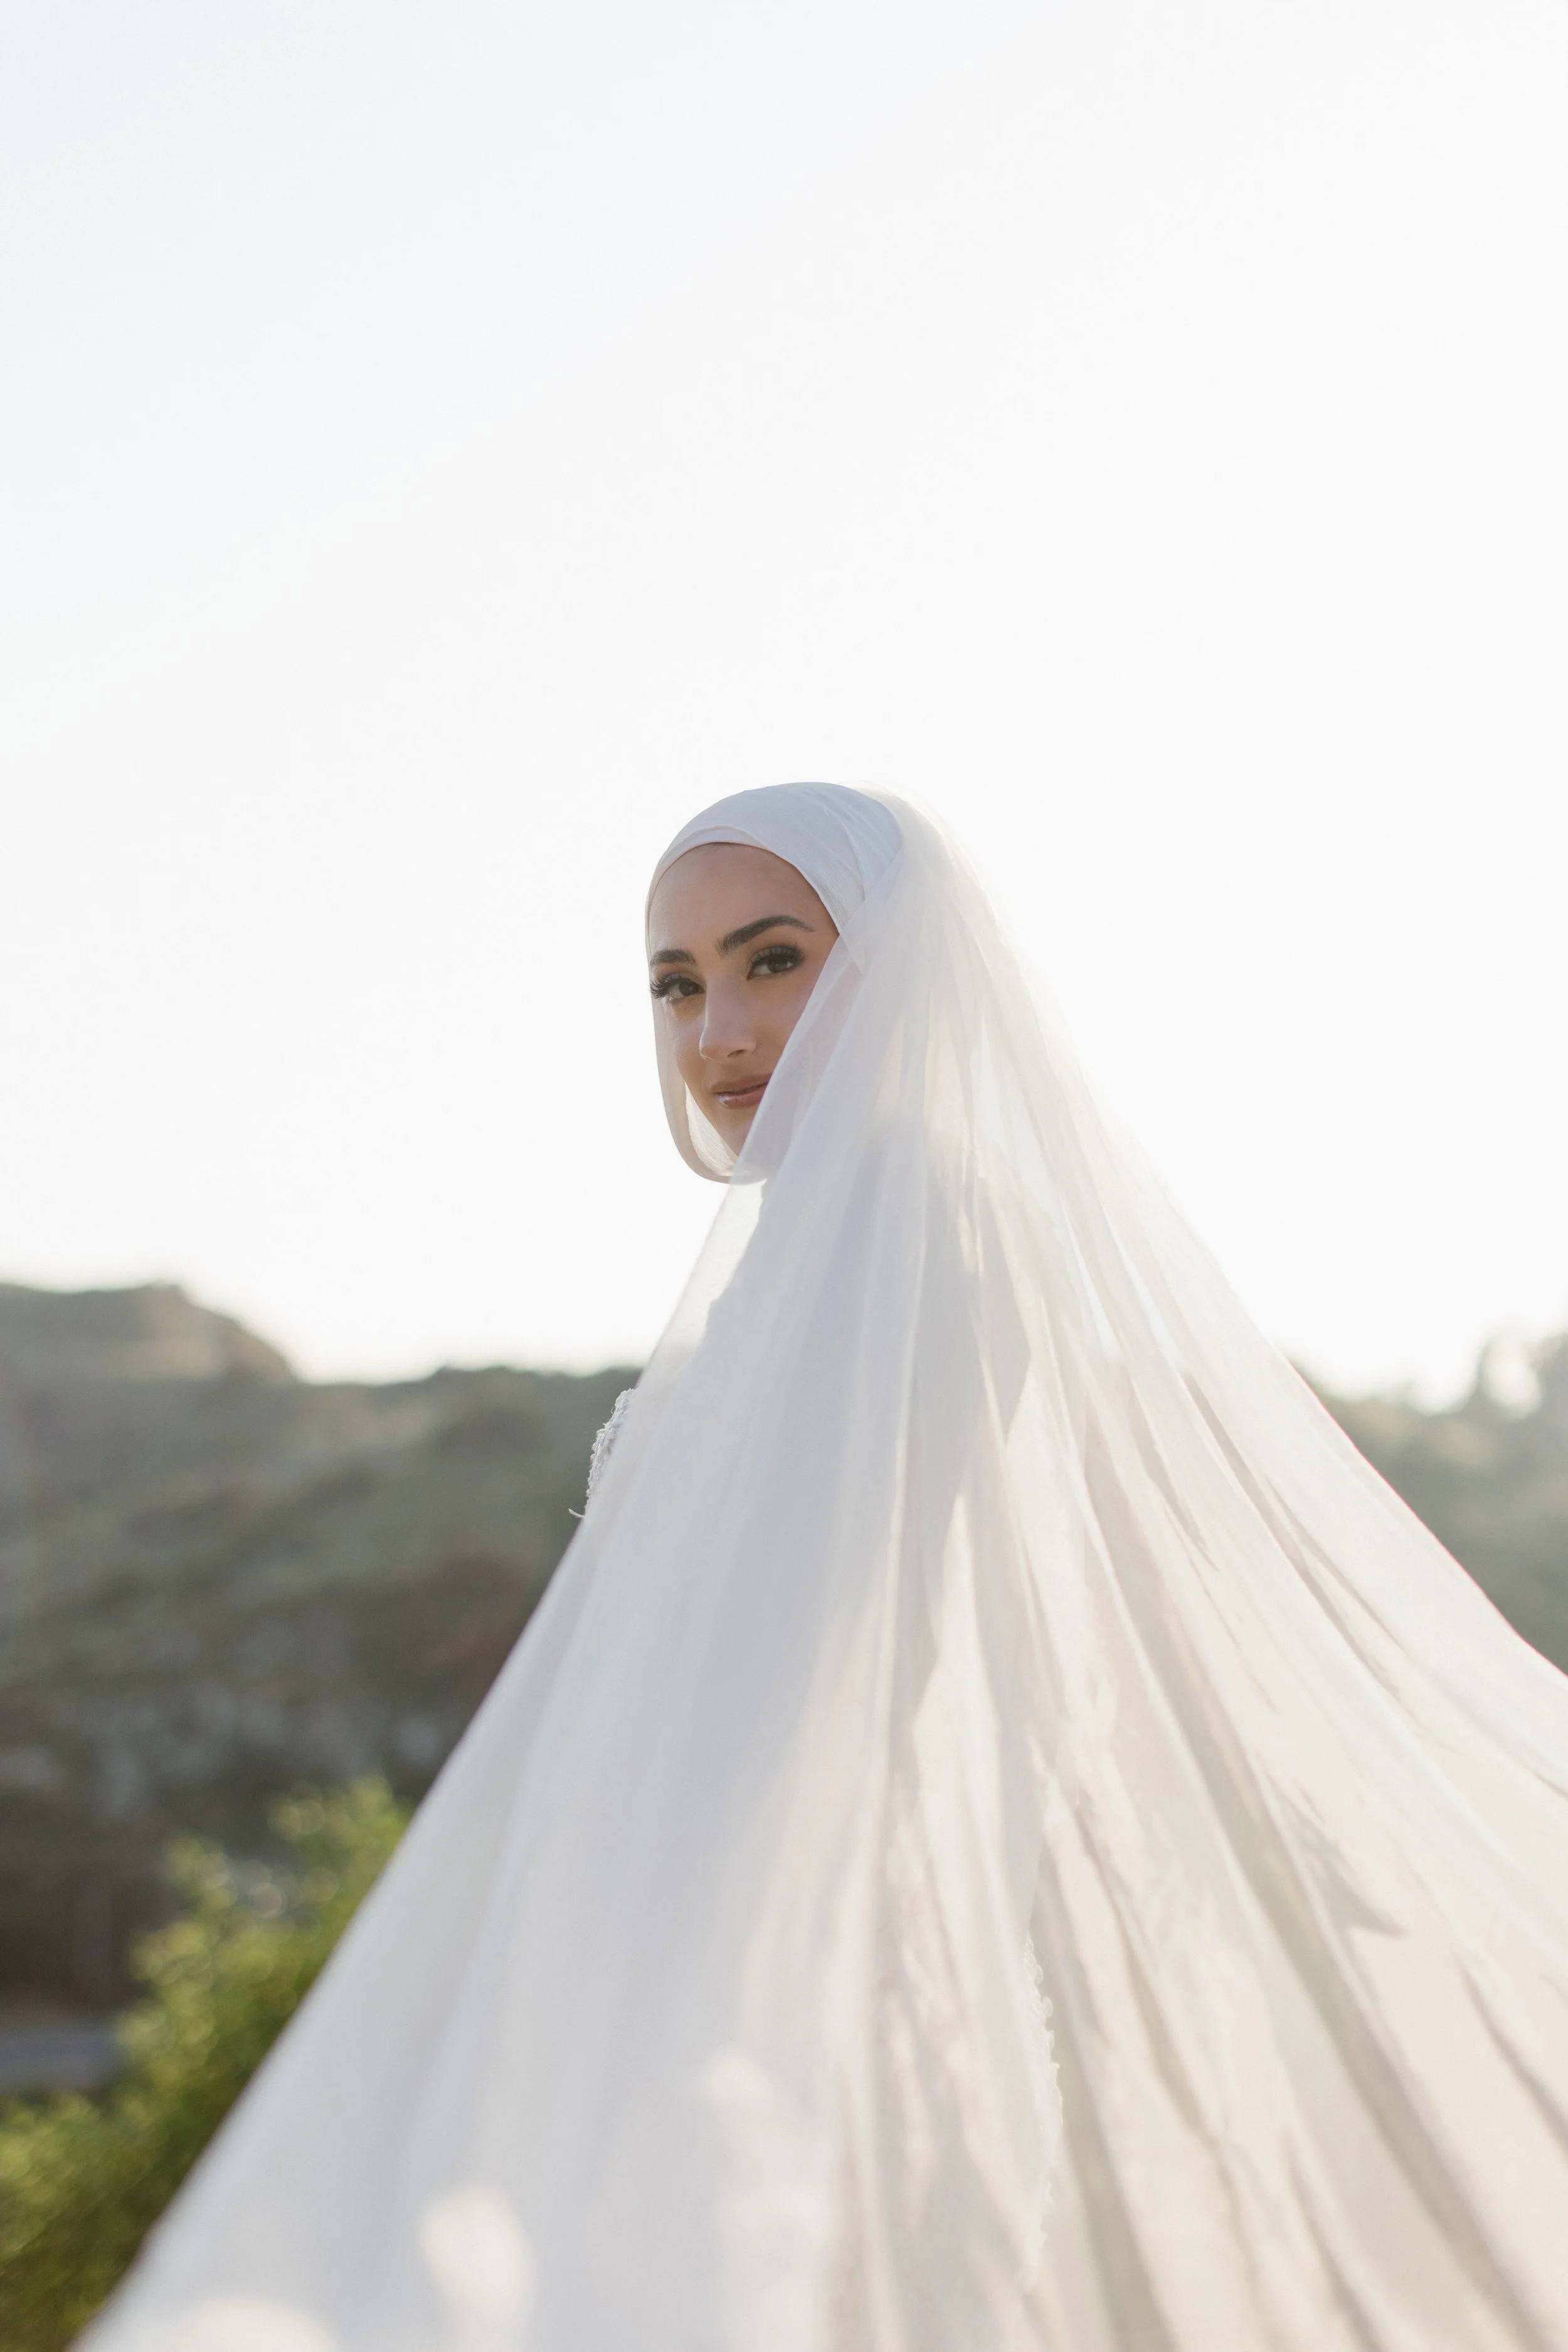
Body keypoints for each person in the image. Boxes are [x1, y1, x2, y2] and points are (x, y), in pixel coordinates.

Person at [84, 785, 1568, 2352]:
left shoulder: (927, 1246)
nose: (717, 1028)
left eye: (773, 960)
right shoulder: (819, 1264)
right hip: (722, 1976)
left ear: (903, 969)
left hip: (797, 1992)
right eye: (676, 982)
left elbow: (849, 1675)